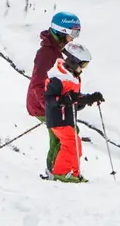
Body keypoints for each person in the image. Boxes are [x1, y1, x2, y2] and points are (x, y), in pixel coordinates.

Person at [27, 11, 81, 177]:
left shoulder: (55, 51)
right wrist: (51, 110)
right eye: (73, 33)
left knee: (65, 135)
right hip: (43, 104)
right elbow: (37, 85)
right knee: (64, 137)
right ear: (61, 31)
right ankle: (57, 172)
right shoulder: (47, 55)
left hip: (51, 103)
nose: (74, 37)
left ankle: (57, 171)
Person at [44, 41, 103, 183]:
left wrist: (90, 99)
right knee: (71, 144)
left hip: (67, 118)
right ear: (73, 62)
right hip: (58, 119)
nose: (83, 68)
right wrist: (63, 100)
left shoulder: (71, 77)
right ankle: (61, 173)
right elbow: (49, 99)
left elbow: (74, 99)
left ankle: (72, 172)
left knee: (75, 145)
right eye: (83, 65)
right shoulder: (58, 79)